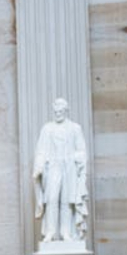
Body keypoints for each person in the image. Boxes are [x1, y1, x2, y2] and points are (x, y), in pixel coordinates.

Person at [32, 98, 88, 242]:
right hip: (52, 168)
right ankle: (51, 232)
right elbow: (41, 151)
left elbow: (81, 150)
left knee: (66, 201)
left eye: (61, 111)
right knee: (51, 199)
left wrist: (77, 159)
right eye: (56, 111)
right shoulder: (47, 129)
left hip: (69, 167)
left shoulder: (75, 128)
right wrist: (38, 167)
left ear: (66, 111)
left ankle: (65, 232)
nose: (58, 114)